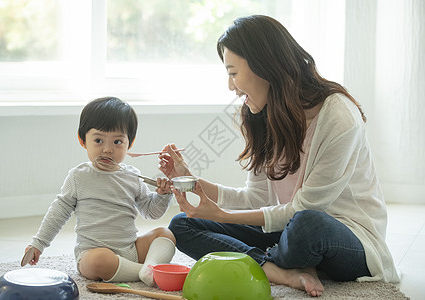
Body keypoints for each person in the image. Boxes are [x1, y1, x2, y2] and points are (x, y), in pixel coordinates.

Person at [159, 15, 399, 297]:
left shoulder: (338, 115)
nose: (230, 86)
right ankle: (276, 268)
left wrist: (223, 215)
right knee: (182, 224)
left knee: (307, 225)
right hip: (289, 231)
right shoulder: (261, 114)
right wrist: (194, 182)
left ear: (264, 66)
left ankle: (278, 259)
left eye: (233, 73)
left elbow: (305, 209)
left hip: (347, 238)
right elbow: (256, 199)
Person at [24, 97, 175, 286]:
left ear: (130, 143)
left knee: (165, 234)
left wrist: (162, 195)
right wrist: (39, 244)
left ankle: (149, 267)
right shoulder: (79, 177)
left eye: (117, 141)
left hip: (130, 250)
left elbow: (151, 212)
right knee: (99, 260)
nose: (107, 149)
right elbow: (58, 213)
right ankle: (146, 272)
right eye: (98, 140)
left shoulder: (132, 176)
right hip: (93, 254)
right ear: (82, 140)